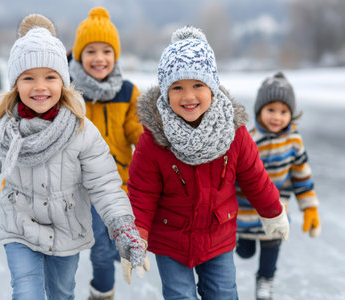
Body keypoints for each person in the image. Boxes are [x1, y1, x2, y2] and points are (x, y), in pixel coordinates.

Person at [0, 14, 147, 300]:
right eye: (28, 78)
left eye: (50, 77)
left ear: (63, 82)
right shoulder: (3, 129)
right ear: (15, 83)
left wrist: (122, 225)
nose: (40, 87)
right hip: (20, 228)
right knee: (26, 291)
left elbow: (104, 183)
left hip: (67, 230)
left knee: (62, 293)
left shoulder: (80, 129)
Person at [127, 26, 291, 300]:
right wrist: (137, 236)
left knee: (224, 294)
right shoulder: (153, 140)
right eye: (177, 87)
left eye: (198, 86)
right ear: (166, 93)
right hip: (171, 239)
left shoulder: (234, 133)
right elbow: (142, 192)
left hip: (218, 236)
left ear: (212, 89)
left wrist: (273, 211)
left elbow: (254, 177)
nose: (188, 96)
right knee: (180, 296)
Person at [68, 7, 144, 299]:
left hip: (117, 182)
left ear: (115, 56)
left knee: (111, 243)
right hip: (83, 185)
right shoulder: (70, 92)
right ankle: (103, 292)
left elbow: (136, 131)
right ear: (78, 55)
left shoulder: (127, 92)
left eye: (106, 51)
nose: (99, 58)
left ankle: (106, 273)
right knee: (101, 246)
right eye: (90, 51)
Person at [235, 71, 321, 300]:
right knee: (244, 253)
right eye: (271, 110)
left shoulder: (294, 140)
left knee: (272, 246)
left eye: (284, 111)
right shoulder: (250, 139)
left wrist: (309, 207)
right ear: (259, 111)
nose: (277, 117)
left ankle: (265, 280)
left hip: (277, 209)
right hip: (246, 209)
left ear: (291, 114)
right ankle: (243, 244)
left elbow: (301, 175)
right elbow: (235, 173)